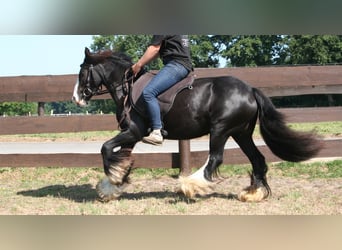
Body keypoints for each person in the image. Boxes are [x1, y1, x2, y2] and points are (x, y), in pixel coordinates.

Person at [131, 35, 193, 145]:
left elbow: (154, 49)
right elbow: (156, 52)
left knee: (149, 93)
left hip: (176, 65)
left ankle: (156, 132)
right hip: (181, 64)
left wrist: (138, 65)